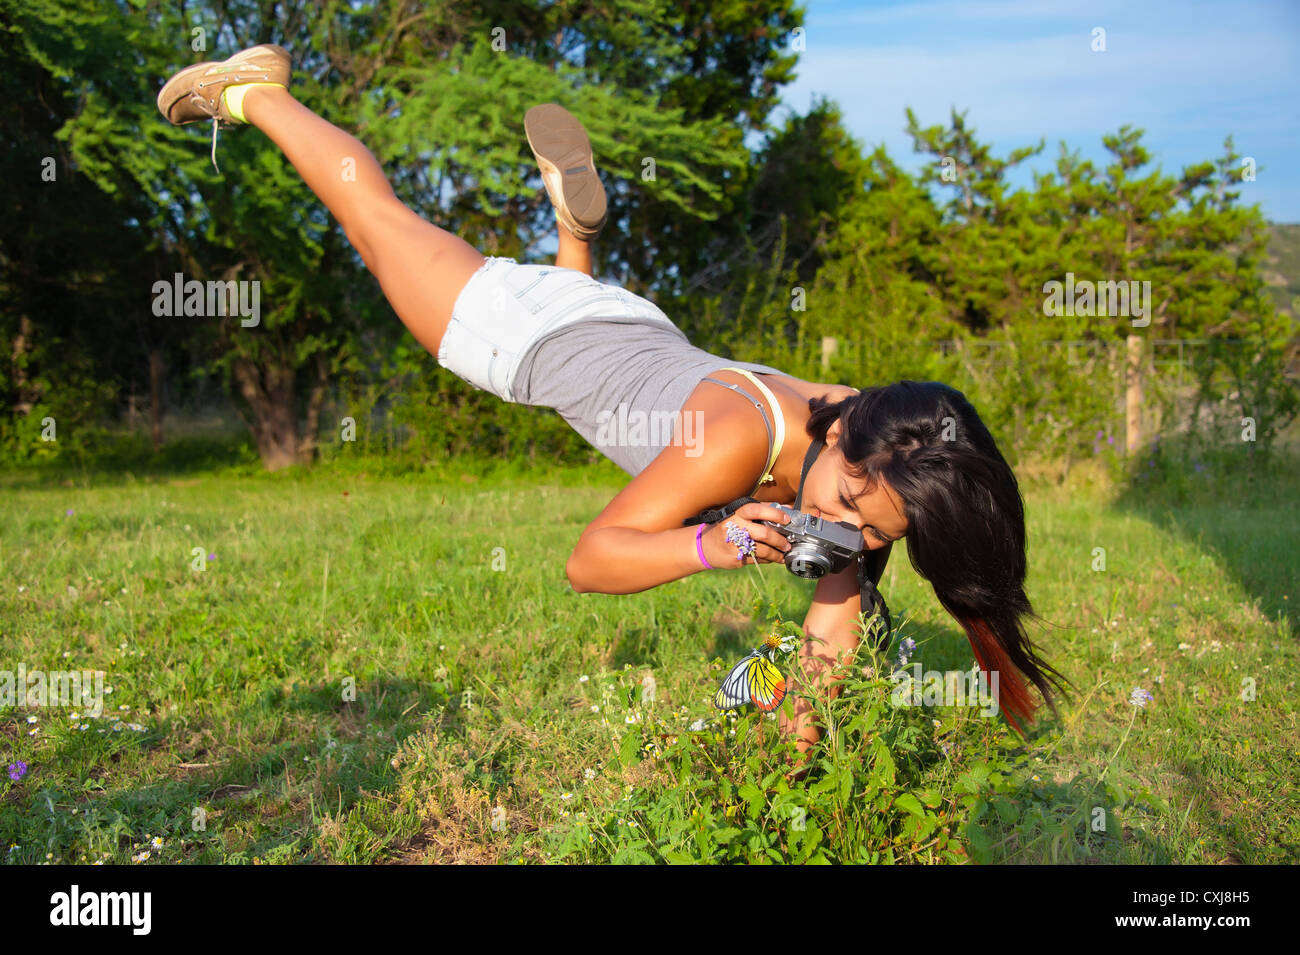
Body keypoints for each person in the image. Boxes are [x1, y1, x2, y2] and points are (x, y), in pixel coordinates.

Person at [156, 44, 1070, 768]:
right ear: (845, 450)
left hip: (633, 329)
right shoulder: (735, 442)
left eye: (878, 532)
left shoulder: (871, 423)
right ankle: (254, 90)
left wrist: (791, 748)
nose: (846, 535)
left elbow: (835, 615)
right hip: (524, 331)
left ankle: (575, 235)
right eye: (847, 512)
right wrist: (718, 542)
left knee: (602, 390)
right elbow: (590, 561)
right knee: (373, 216)